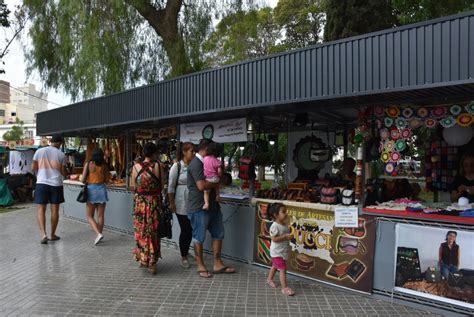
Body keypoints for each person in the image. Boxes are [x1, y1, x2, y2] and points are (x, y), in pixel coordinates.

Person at [187, 139, 235, 278]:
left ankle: (217, 263)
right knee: (198, 237)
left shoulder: (208, 160)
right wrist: (218, 181)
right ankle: (200, 265)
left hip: (213, 205)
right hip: (198, 206)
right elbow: (201, 186)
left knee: (218, 233)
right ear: (206, 148)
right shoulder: (196, 164)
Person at [130, 142, 165, 275]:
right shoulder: (158, 166)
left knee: (141, 231)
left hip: (140, 204)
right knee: (153, 233)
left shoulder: (135, 167)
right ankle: (152, 264)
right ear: (154, 153)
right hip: (154, 203)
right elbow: (161, 186)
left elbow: (133, 186)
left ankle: (143, 259)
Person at [32, 135, 66, 244]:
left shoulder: (39, 151)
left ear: (51, 141)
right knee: (55, 210)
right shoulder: (61, 154)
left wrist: (40, 173)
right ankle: (52, 234)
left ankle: (43, 235)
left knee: (41, 209)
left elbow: (33, 168)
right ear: (60, 143)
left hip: (41, 183)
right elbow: (62, 172)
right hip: (56, 184)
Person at [168, 142, 195, 269]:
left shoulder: (194, 165)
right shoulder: (176, 166)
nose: (193, 153)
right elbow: (170, 186)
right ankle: (183, 256)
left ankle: (186, 251)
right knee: (186, 229)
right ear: (184, 152)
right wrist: (172, 202)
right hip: (181, 200)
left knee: (190, 229)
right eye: (191, 151)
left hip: (193, 200)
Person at [81, 148, 110, 245]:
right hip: (102, 189)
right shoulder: (105, 165)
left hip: (91, 190)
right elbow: (107, 181)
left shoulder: (89, 164)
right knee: (100, 216)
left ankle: (98, 234)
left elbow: (83, 179)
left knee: (89, 216)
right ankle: (99, 234)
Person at [266, 203, 295, 296]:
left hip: (282, 251)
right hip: (277, 252)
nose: (286, 213)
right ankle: (284, 288)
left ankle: (269, 279)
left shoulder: (284, 224)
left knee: (275, 265)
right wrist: (285, 236)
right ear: (276, 215)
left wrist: (288, 236)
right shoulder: (275, 226)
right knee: (283, 269)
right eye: (283, 212)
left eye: (286, 211)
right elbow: (274, 239)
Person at [203, 142, 222, 210]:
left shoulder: (204, 159)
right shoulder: (217, 161)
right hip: (215, 178)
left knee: (206, 192)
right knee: (216, 187)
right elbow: (219, 171)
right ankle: (218, 196)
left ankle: (206, 204)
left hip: (208, 179)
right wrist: (219, 176)